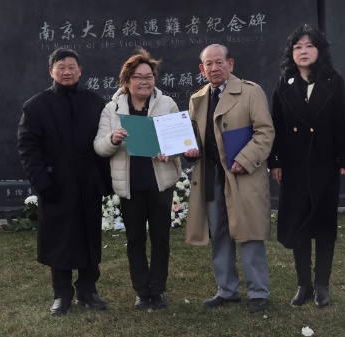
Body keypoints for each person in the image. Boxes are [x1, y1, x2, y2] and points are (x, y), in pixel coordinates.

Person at [17, 48, 112, 317]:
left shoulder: (95, 103)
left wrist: (104, 181)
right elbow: (27, 147)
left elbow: (105, 142)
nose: (67, 71)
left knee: (89, 235)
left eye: (72, 67)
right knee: (59, 238)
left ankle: (88, 289)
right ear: (51, 72)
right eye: (61, 67)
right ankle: (62, 293)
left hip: (88, 179)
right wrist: (42, 183)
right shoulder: (35, 106)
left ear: (80, 71)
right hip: (55, 181)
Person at [184, 44, 275, 313]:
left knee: (248, 232)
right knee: (219, 234)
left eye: (219, 62)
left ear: (230, 64)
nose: (214, 68)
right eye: (208, 64)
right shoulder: (197, 98)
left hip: (242, 177)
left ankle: (258, 292)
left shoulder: (251, 92)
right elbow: (193, 138)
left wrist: (244, 160)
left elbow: (265, 133)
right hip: (212, 177)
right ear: (202, 70)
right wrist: (190, 151)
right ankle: (227, 290)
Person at [269, 25, 345, 308]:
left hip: (325, 163)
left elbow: (341, 120)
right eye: (297, 47)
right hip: (293, 166)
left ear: (319, 51)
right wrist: (276, 161)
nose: (303, 51)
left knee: (324, 224)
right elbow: (277, 126)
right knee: (299, 224)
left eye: (309, 46)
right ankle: (303, 285)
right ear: (291, 54)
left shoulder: (333, 80)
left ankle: (322, 285)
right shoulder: (285, 83)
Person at [94, 48, 182, 310]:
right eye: (138, 76)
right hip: (130, 184)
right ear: (127, 80)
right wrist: (113, 139)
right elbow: (99, 146)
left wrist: (171, 150)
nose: (144, 81)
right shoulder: (113, 109)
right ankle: (141, 292)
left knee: (161, 238)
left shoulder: (167, 104)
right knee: (135, 239)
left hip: (160, 182)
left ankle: (158, 290)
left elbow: (180, 140)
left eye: (149, 76)